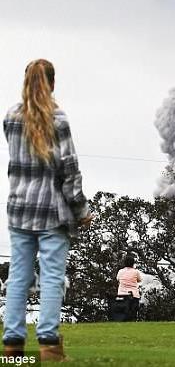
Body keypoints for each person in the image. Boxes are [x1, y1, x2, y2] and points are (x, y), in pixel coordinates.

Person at [2, 60, 92, 362]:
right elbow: (69, 171)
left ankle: (13, 345)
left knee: (18, 276)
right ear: (52, 84)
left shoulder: (11, 117)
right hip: (52, 212)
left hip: (19, 209)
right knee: (52, 277)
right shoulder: (58, 120)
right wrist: (81, 210)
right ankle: (49, 346)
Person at [116, 254, 143, 321]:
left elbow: (118, 279)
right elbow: (139, 280)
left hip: (122, 295)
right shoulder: (136, 272)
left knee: (123, 314)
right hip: (134, 295)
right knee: (133, 314)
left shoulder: (120, 271)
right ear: (133, 263)